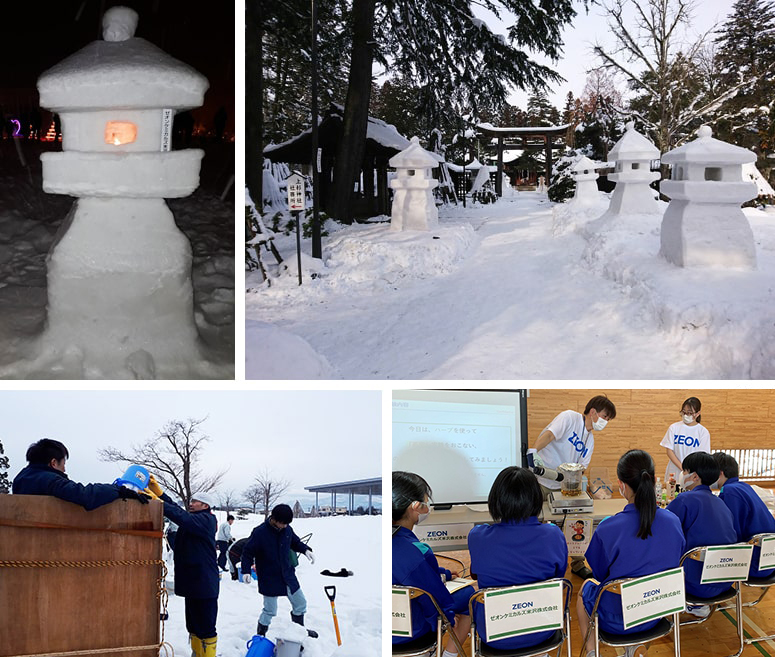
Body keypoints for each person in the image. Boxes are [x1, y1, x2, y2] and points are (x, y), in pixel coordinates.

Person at [577, 450, 685, 657]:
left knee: (585, 587)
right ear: (653, 481)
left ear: (622, 485)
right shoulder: (673, 521)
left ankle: (591, 652)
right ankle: (637, 647)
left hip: (615, 619)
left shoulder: (608, 528)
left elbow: (599, 575)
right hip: (656, 611)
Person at [468, 467, 568, 655]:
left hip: (494, 633)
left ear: (496, 500)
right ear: (536, 500)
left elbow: (476, 573)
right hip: (543, 630)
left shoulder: (477, 536)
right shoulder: (553, 535)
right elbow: (558, 579)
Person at [532, 394, 617, 578]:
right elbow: (549, 435)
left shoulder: (590, 440)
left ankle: (577, 563)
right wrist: (533, 452)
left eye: (608, 420)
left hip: (562, 487)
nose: (605, 422)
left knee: (574, 523)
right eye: (604, 417)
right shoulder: (569, 418)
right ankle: (537, 563)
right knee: (536, 520)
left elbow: (582, 469)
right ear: (592, 412)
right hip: (540, 480)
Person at [392, 471, 473, 657]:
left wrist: (442, 573)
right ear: (415, 507)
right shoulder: (418, 551)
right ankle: (449, 654)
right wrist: (448, 619)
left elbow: (411, 574)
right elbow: (436, 603)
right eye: (426, 502)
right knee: (468, 595)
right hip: (412, 634)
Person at [150, 476, 219, 657]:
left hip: (205, 584)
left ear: (205, 506)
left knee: (206, 626)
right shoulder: (195, 519)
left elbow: (180, 516)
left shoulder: (207, 520)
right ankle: (197, 653)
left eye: (196, 501)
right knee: (194, 625)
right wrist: (160, 494)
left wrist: (157, 502)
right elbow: (180, 512)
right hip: (194, 583)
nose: (192, 503)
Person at [666, 452, 737, 615]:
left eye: (684, 471)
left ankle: (686, 604)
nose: (682, 475)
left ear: (695, 476)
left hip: (696, 585)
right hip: (726, 581)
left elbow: (663, 529)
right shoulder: (721, 503)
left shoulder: (684, 500)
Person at [240, 504, 318, 638]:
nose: (285, 526)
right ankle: (261, 635)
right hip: (269, 577)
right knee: (270, 610)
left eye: (287, 523)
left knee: (300, 603)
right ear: (274, 519)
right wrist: (246, 570)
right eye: (283, 523)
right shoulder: (260, 532)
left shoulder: (287, 529)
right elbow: (247, 553)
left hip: (287, 575)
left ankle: (299, 632)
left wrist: (306, 550)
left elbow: (295, 542)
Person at [12, 439, 149, 510]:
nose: (64, 470)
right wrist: (118, 490)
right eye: (63, 464)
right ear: (53, 463)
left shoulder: (21, 479)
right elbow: (85, 496)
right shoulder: (49, 480)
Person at [713, 451, 775, 578]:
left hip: (756, 563)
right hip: (769, 558)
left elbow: (732, 532)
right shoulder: (744, 486)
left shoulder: (730, 491)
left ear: (720, 473)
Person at [659, 397, 710, 482]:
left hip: (692, 474)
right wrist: (682, 468)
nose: (686, 415)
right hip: (674, 471)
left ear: (698, 413)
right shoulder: (674, 428)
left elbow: (702, 456)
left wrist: (688, 471)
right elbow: (669, 451)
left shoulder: (703, 432)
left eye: (690, 413)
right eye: (684, 412)